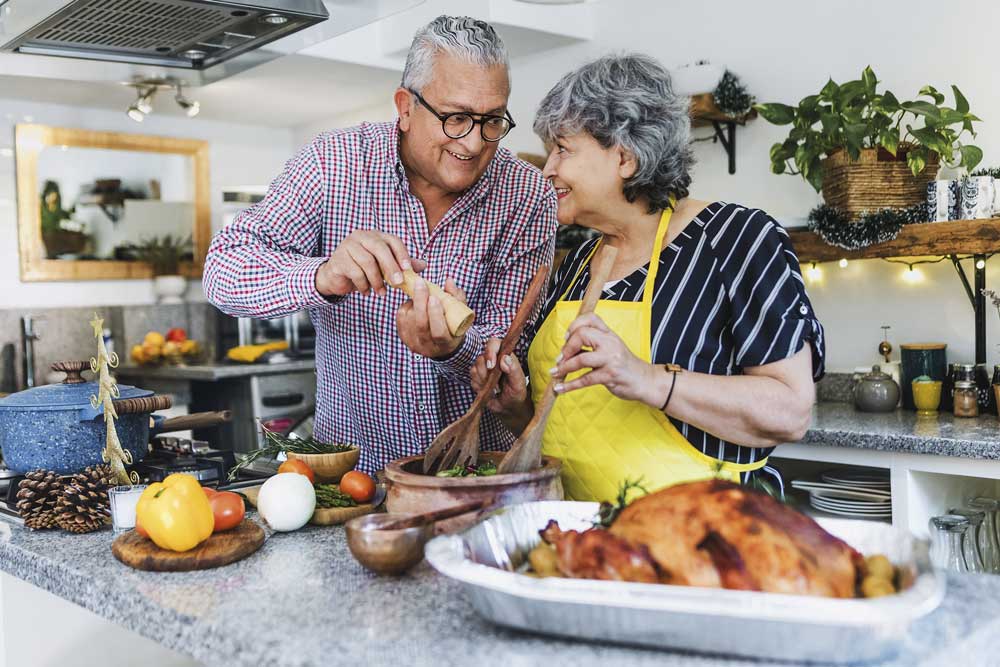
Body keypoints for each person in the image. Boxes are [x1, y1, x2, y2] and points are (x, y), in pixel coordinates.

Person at [204, 16, 557, 473]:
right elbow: (223, 271)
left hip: (476, 472)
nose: (473, 143)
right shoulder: (332, 164)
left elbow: (508, 355)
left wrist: (453, 350)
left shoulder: (527, 195)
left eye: (491, 120)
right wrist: (321, 275)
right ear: (406, 107)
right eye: (456, 118)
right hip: (350, 479)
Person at [472, 54, 824, 502]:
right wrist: (517, 405)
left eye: (563, 149)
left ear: (625, 156)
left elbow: (791, 411)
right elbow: (570, 428)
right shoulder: (580, 261)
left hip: (702, 538)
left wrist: (649, 380)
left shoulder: (736, 240)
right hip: (581, 540)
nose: (549, 170)